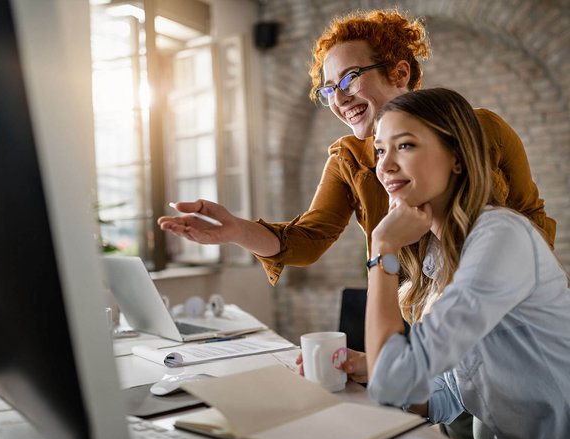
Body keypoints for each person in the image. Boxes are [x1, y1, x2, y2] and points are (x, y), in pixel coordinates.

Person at [157, 10, 556, 288]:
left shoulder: (482, 128)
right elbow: (308, 239)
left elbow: (530, 216)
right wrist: (236, 231)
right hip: (408, 312)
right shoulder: (348, 158)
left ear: (400, 73)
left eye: (349, 78)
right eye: (328, 88)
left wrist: (529, 290)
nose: (338, 98)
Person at [352, 87, 570, 439]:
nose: (385, 165)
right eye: (380, 149)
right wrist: (372, 367)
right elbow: (452, 391)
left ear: (456, 156)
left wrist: (383, 249)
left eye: (404, 145)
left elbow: (391, 384)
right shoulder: (441, 254)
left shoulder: (500, 238)